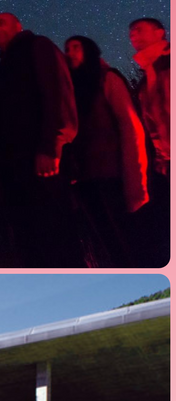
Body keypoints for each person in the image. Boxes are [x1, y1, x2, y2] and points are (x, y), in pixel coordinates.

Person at [0, 12, 80, 267]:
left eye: (1, 22)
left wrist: (52, 145)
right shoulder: (1, 69)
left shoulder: (39, 46)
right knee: (28, 244)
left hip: (40, 164)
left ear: (19, 25)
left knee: (54, 238)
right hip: (11, 170)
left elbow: (58, 93)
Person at [63, 35, 148, 266]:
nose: (70, 53)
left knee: (128, 239)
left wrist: (136, 181)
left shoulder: (107, 79)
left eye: (76, 48)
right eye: (67, 49)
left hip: (113, 175)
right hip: (86, 178)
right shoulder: (73, 90)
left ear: (89, 50)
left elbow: (129, 126)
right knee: (108, 242)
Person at [129, 18, 170, 266]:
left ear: (159, 32)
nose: (134, 36)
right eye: (131, 33)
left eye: (139, 30)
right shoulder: (147, 79)